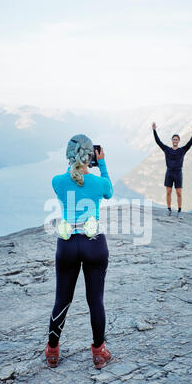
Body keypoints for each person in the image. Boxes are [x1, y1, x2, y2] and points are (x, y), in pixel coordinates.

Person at [45, 134, 113, 369]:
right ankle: (98, 352)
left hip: (67, 243)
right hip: (94, 244)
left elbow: (69, 177)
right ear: (90, 156)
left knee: (62, 299)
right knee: (95, 301)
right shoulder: (98, 183)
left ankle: (52, 351)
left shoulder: (57, 181)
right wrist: (101, 163)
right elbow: (109, 191)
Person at [152, 122, 192, 219]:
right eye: (174, 139)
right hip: (169, 173)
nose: (175, 141)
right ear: (172, 141)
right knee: (168, 192)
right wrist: (154, 130)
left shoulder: (182, 150)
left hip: (178, 173)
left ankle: (179, 211)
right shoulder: (167, 149)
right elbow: (158, 141)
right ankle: (169, 209)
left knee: (179, 193)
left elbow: (190, 142)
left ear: (179, 141)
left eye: (177, 139)